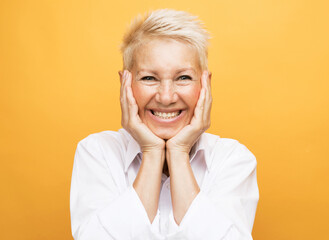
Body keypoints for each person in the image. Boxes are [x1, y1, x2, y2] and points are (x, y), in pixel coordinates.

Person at [70, 9, 259, 240]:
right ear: (125, 84)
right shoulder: (97, 152)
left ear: (205, 84)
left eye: (183, 78)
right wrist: (151, 152)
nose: (166, 97)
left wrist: (178, 153)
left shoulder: (234, 160)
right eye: (149, 78)